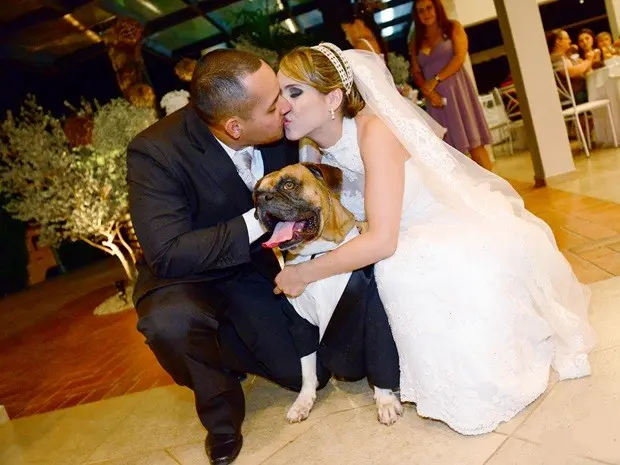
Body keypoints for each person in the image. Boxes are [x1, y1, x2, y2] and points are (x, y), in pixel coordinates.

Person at [274, 42, 596, 435]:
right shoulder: (313, 149)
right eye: (278, 96)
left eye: (294, 92)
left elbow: (382, 241)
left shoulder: (373, 133)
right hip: (386, 233)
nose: (282, 106)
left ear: (334, 98)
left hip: (428, 226)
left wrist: (304, 275)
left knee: (399, 271)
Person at [126, 48, 400, 465]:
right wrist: (262, 216)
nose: (285, 107)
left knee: (309, 373)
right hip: (183, 278)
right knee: (172, 324)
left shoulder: (284, 129)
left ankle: (229, 346)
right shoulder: (154, 152)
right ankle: (219, 414)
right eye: (275, 104)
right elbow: (166, 253)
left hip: (254, 272)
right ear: (235, 126)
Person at [409, 0, 493, 171]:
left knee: (474, 143)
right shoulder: (415, 40)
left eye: (429, 8)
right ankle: (469, 196)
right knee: (450, 153)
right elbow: (416, 71)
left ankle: (496, 193)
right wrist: (429, 92)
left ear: (437, 8)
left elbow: (459, 57)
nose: (426, 14)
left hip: (458, 93)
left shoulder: (452, 28)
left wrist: (435, 80)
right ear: (417, 16)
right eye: (421, 11)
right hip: (436, 101)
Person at [547, 29, 593, 105]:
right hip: (577, 95)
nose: (570, 41)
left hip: (579, 92)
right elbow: (571, 72)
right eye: (567, 38)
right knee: (605, 89)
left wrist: (584, 64)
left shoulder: (563, 56)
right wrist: (588, 60)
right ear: (558, 41)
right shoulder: (556, 57)